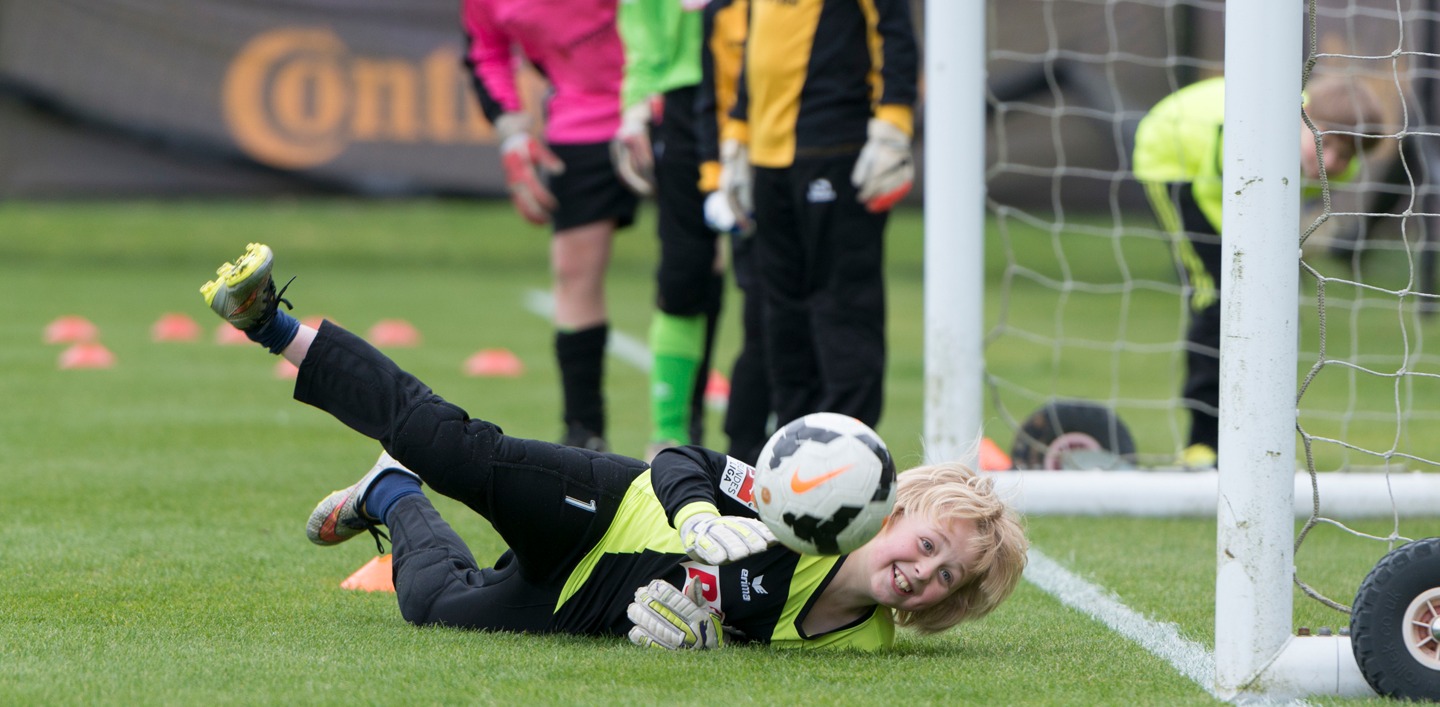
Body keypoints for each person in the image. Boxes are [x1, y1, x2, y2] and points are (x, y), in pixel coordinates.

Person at [198, 242, 1028, 650]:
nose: (922, 572)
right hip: (601, 508)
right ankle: (269, 321)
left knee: (431, 609)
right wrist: (701, 520)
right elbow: (678, 457)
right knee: (450, 445)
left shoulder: (861, 646)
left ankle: (390, 495)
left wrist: (700, 644)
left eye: (944, 576)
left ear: (944, 605)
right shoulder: (806, 499)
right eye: (928, 545)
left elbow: (741, 644)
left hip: (585, 608)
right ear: (890, 512)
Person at [1132, 74, 1382, 469]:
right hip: (1180, 165)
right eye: (1325, 144)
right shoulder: (1246, 139)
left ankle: (1260, 440)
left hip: (1246, 185)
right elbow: (1227, 200)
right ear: (1302, 118)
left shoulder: (1329, 164)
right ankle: (1203, 444)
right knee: (1218, 295)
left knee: (1276, 304)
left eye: (1345, 155)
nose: (1331, 162)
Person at [719, 0, 919, 432]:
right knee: (781, 313)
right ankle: (796, 446)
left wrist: (894, 126)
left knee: (843, 306)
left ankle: (850, 450)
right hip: (768, 158)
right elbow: (756, 49)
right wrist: (737, 135)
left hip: (837, 148)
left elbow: (895, 31)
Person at [462, 0, 638, 451]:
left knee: (695, 270)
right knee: (573, 272)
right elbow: (487, 51)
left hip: (666, 102)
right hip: (583, 120)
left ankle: (687, 432)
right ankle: (585, 438)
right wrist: (514, 133)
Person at [612, 0, 726, 459]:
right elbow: (643, 25)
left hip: (767, 91)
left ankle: (771, 435)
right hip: (684, 100)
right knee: (686, 269)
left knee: (772, 278)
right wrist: (636, 107)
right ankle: (670, 436)